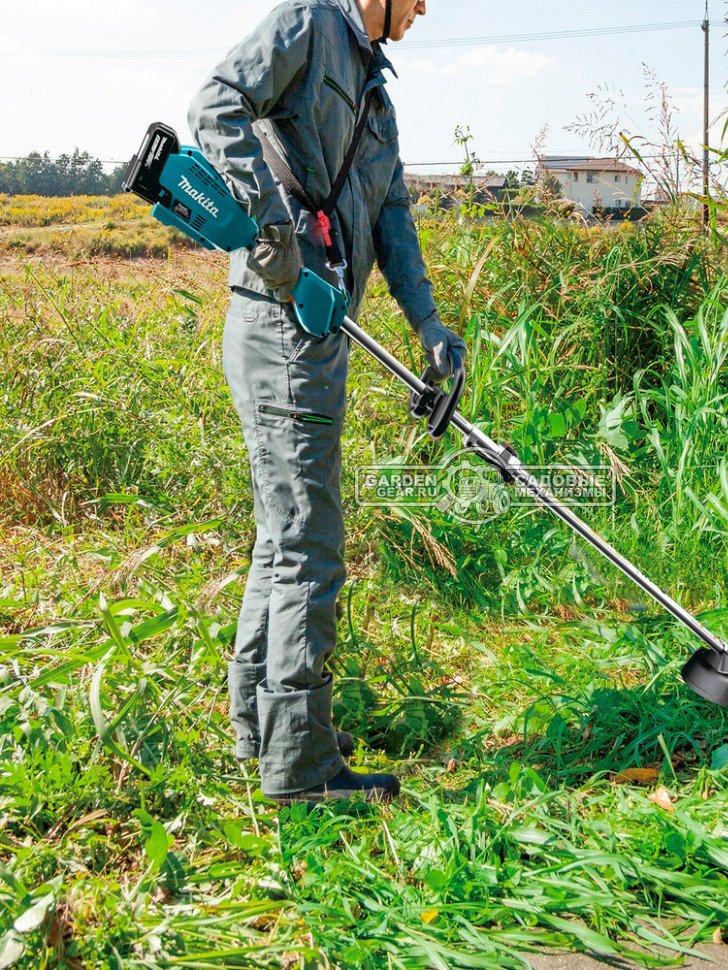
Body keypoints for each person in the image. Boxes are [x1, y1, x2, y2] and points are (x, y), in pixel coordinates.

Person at [187, 0, 466, 804]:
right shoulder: (308, 23)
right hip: (280, 321)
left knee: (283, 534)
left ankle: (264, 723)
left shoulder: (374, 93)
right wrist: (273, 233)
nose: (424, 7)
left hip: (320, 330)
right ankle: (301, 768)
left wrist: (429, 323)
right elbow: (216, 104)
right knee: (311, 542)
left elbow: (392, 218)